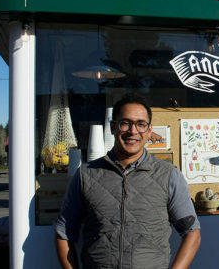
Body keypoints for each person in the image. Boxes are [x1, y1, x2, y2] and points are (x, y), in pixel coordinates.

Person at [54, 94, 201, 269]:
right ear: (112, 127)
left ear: (149, 130)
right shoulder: (86, 175)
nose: (133, 131)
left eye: (141, 124)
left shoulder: (168, 175)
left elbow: (192, 234)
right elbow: (63, 233)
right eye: (125, 123)